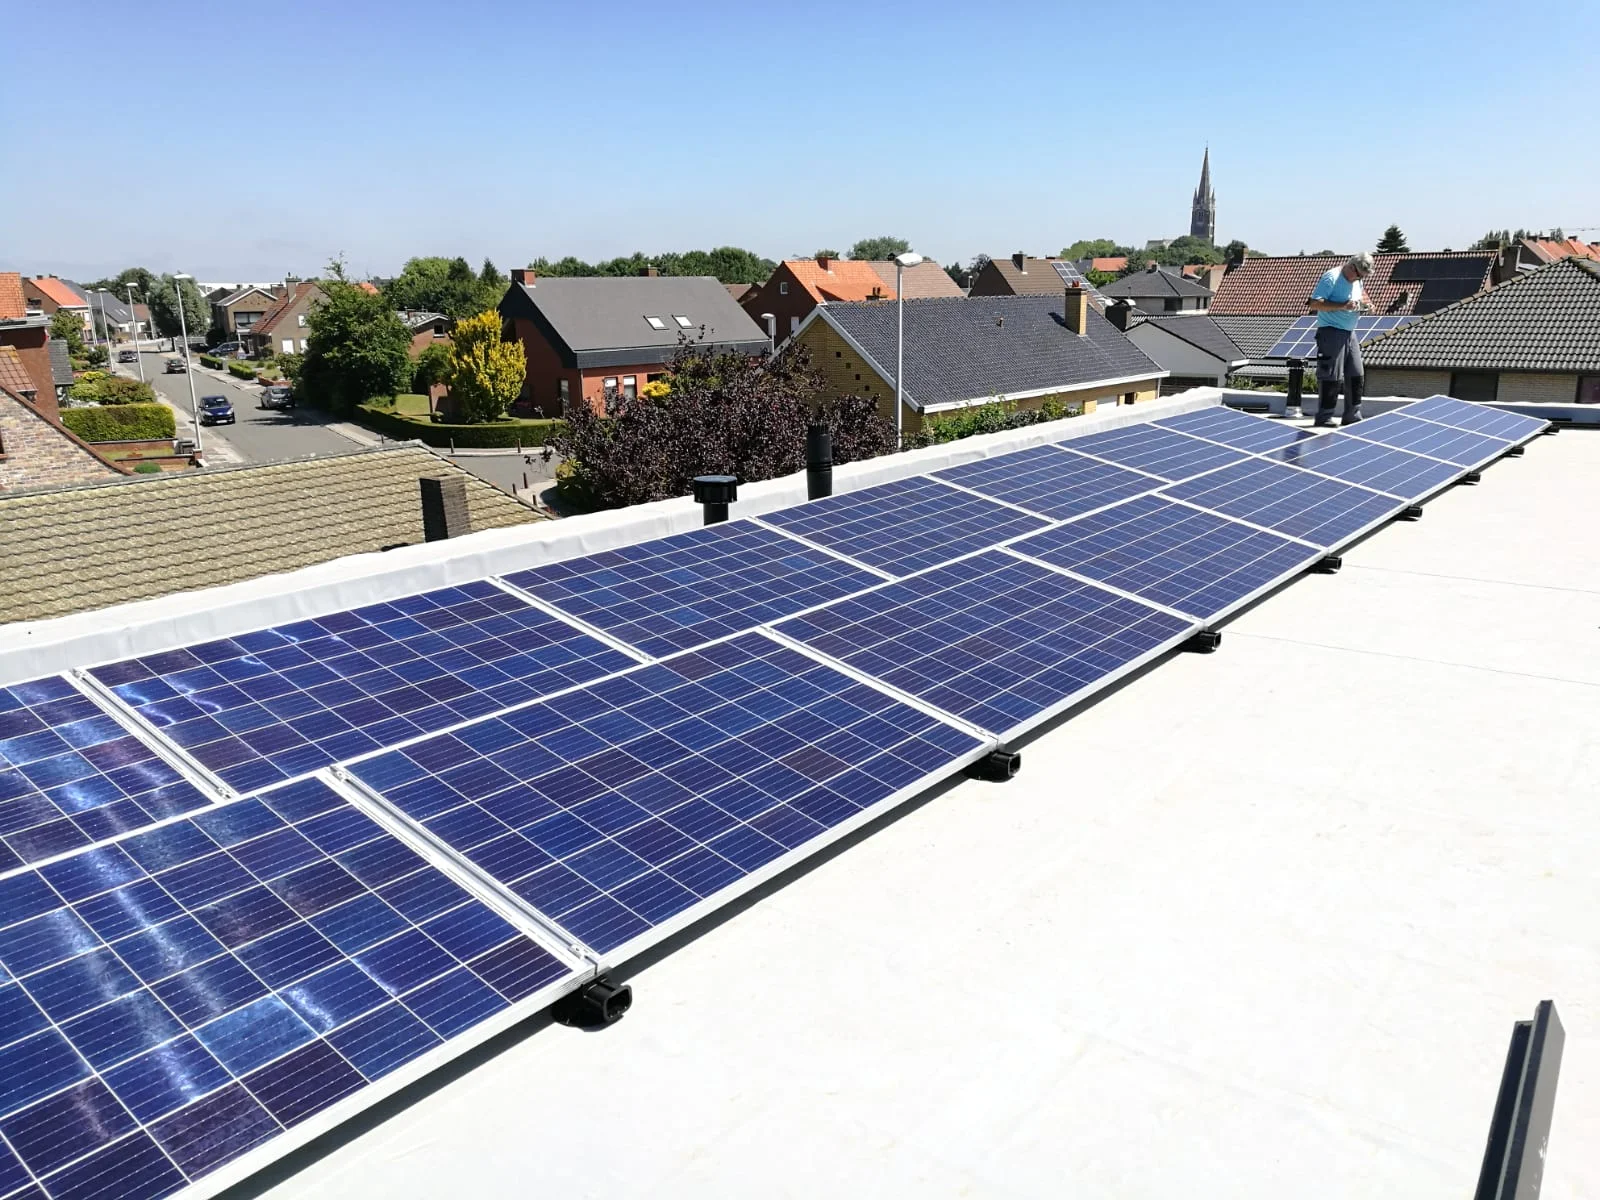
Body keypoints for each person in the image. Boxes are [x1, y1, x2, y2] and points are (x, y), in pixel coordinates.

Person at [1305, 252, 1374, 426]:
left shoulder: (1357, 279)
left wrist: (1369, 304)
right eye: (1359, 275)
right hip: (1331, 331)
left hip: (1349, 332)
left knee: (1356, 374)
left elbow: (1361, 294)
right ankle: (1325, 416)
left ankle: (1352, 414)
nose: (1359, 278)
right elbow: (1314, 303)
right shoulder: (1331, 278)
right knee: (1331, 375)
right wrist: (1342, 306)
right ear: (1351, 267)